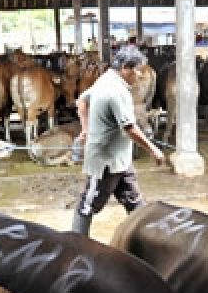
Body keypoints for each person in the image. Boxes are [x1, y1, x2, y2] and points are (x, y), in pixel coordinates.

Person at [70, 45, 165, 235]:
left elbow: (81, 102)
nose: (138, 75)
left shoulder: (105, 79)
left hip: (120, 159)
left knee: (135, 202)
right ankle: (76, 242)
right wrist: (153, 149)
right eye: (137, 70)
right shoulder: (116, 91)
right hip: (105, 161)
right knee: (87, 205)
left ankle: (145, 239)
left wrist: (86, 129)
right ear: (125, 68)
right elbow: (129, 128)